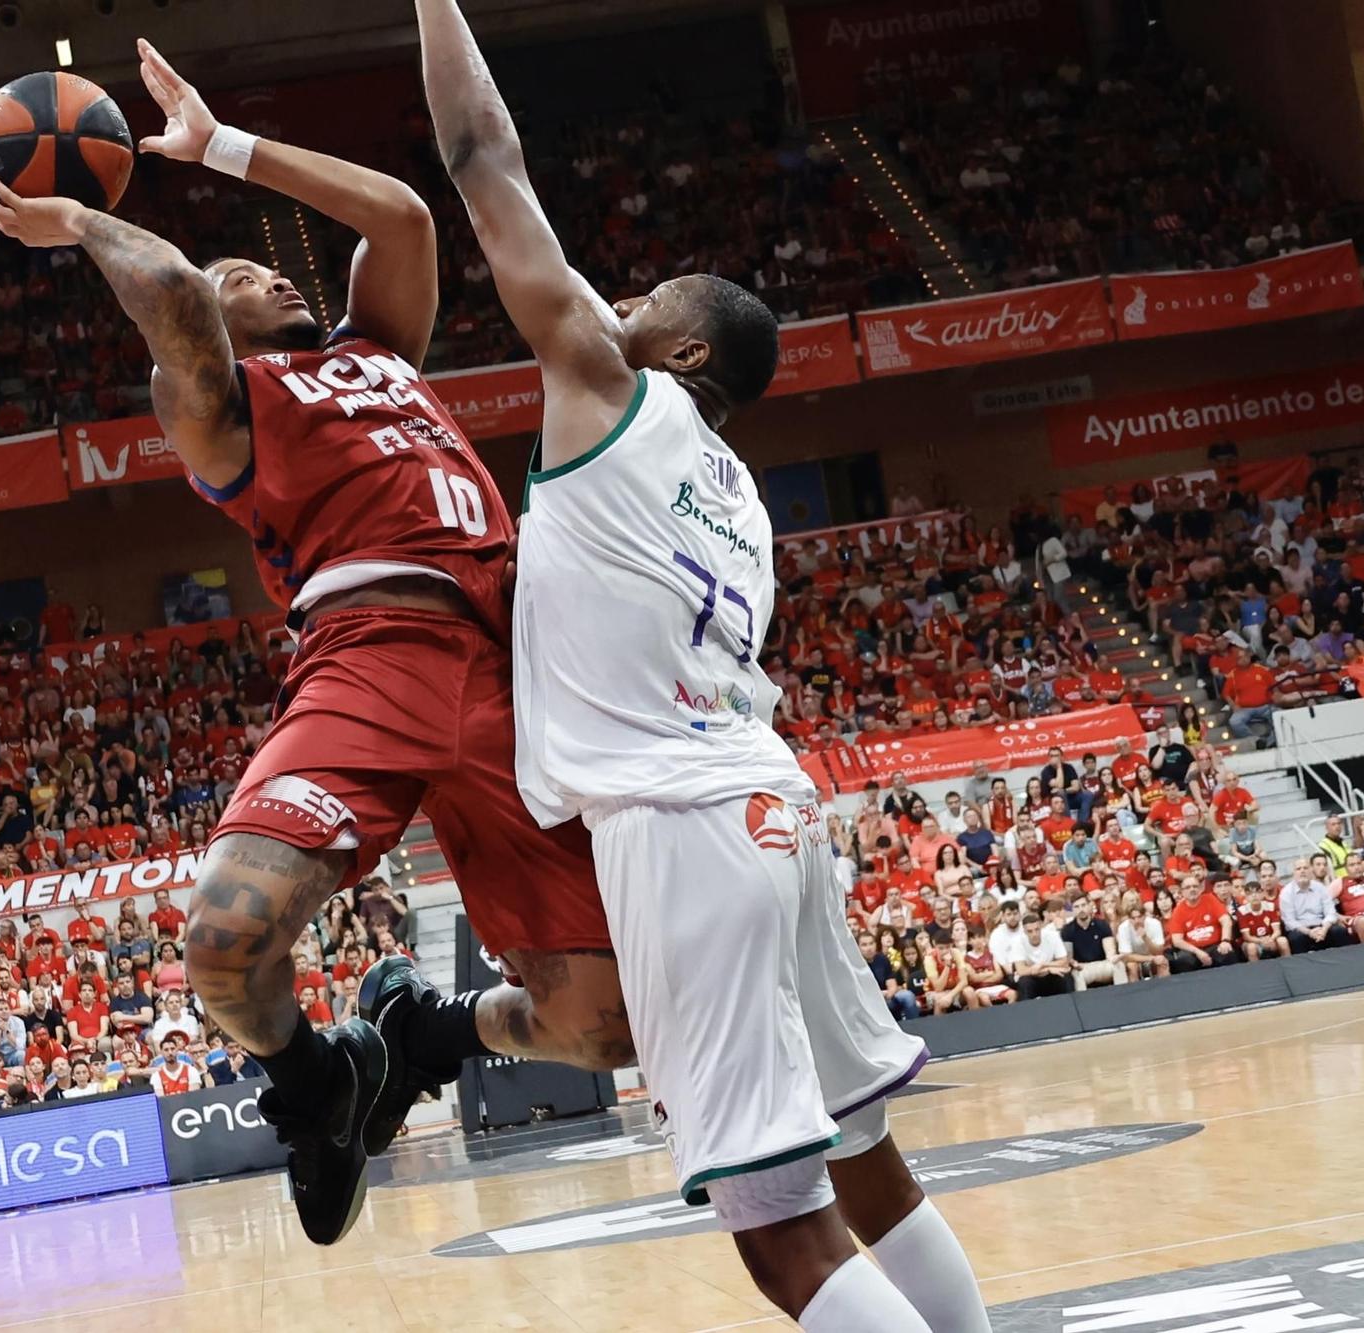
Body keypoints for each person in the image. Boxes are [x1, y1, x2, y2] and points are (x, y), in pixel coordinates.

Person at [0, 37, 630, 1247]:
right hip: (362, 651)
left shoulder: (374, 351)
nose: (258, 276)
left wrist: (223, 146)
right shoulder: (219, 408)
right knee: (222, 952)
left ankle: (425, 1031)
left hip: (507, 660)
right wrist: (79, 220)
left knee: (607, 1029)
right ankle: (316, 1084)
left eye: (263, 270)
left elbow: (403, 219)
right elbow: (173, 292)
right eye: (240, 275)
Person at [406, 4, 989, 1330]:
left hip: (684, 830)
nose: (621, 301)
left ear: (677, 353)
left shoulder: (609, 392)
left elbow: (481, 154)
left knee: (781, 1232)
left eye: (649, 300)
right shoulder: (738, 493)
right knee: (867, 1161)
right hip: (775, 809)